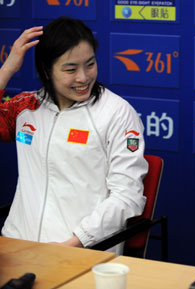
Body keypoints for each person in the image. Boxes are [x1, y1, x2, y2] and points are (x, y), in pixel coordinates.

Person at [0, 17, 147, 254]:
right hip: (18, 246)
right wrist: (7, 70)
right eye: (70, 69)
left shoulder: (117, 113)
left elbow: (127, 197)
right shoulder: (25, 108)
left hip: (81, 252)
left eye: (90, 64)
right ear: (46, 71)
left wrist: (74, 244)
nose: (83, 77)